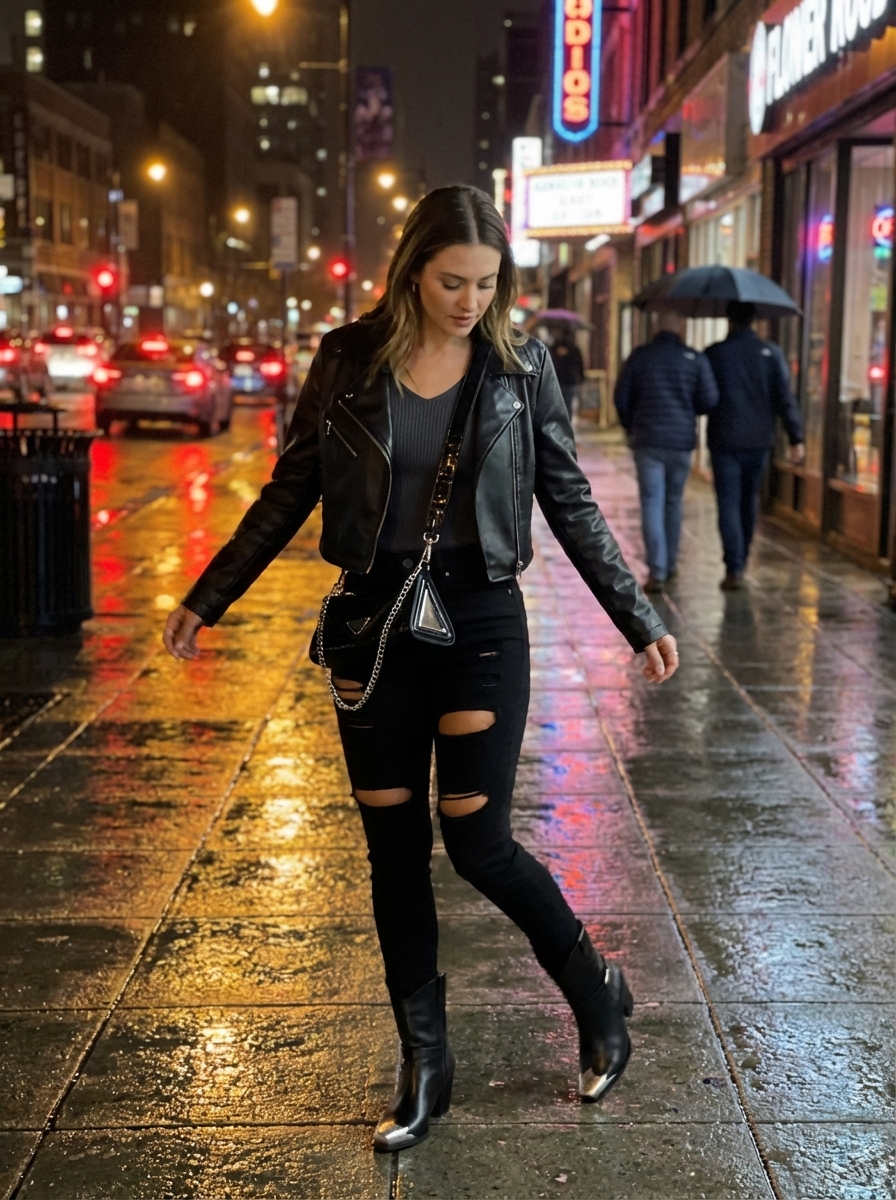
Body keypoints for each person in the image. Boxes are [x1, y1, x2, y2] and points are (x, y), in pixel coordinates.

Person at [162, 186, 679, 1153]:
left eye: (487, 283)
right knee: (391, 849)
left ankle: (593, 985)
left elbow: (567, 499)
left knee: (477, 843)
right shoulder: (347, 359)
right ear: (410, 272)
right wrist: (208, 595)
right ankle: (425, 1063)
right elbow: (291, 489)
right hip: (374, 628)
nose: (469, 300)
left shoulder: (522, 368)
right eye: (452, 281)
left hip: (480, 621)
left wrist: (635, 614)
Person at [614, 310, 719, 593]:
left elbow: (621, 398)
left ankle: (656, 570)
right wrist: (687, 409)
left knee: (651, 502)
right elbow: (709, 399)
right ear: (681, 326)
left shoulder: (640, 357)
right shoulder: (694, 359)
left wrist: (631, 426)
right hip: (681, 442)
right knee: (673, 502)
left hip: (647, 440)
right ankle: (670, 563)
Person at [705, 300, 805, 590]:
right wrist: (795, 436)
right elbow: (784, 398)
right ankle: (742, 559)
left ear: (729, 320)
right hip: (760, 441)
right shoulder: (771, 353)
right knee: (749, 501)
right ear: (755, 320)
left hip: (724, 439)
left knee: (727, 502)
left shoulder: (715, 354)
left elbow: (705, 396)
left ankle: (733, 565)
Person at [548, 326, 585, 418]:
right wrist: (581, 379)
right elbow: (580, 365)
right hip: (570, 380)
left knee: (556, 404)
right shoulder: (574, 349)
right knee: (568, 404)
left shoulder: (553, 348)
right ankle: (567, 424)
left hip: (556, 380)